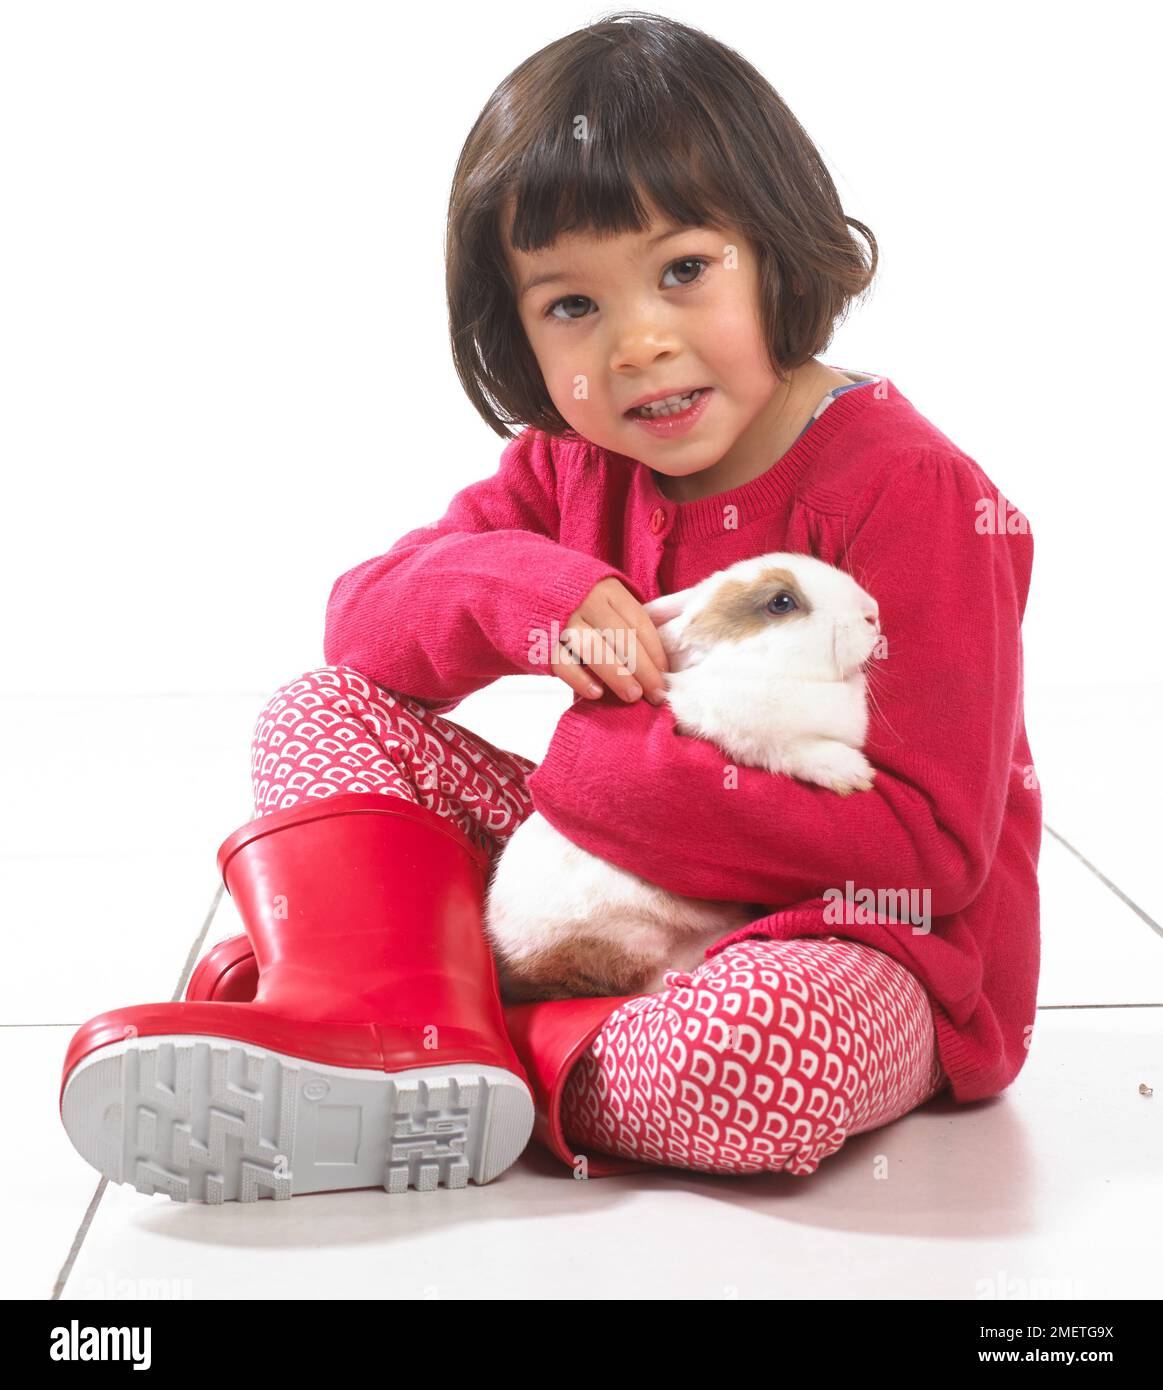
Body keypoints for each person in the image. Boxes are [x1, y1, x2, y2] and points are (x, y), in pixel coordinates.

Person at [60, 12, 1040, 1199]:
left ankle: (433, 1024)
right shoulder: (572, 467)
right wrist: (548, 588)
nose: (637, 341)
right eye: (571, 305)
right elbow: (362, 623)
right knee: (318, 710)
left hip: (846, 948)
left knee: (749, 1064)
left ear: (777, 253)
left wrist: (604, 780)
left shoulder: (913, 491)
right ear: (517, 333)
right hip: (595, 899)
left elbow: (929, 855)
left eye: (683, 270)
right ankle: (389, 1013)